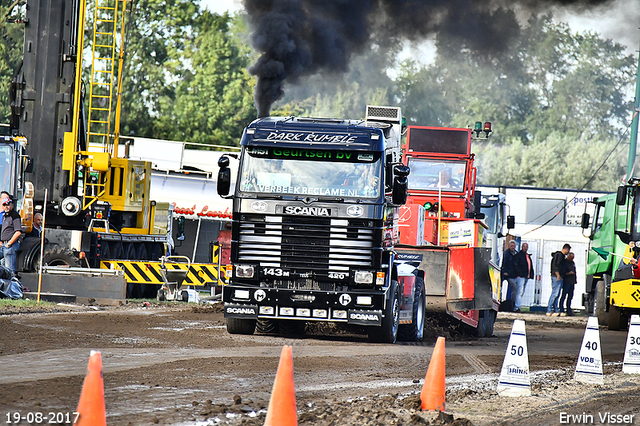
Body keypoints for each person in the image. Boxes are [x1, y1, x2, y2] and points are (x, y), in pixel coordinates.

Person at [547, 243, 571, 316]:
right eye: (568, 250)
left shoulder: (561, 256)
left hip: (559, 276)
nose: (568, 252)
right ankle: (549, 309)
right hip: (557, 276)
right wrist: (558, 275)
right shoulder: (559, 256)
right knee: (555, 293)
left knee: (557, 294)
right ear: (566, 249)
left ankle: (555, 309)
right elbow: (555, 266)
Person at [514, 242, 534, 313]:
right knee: (520, 292)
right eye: (524, 246)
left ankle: (518, 306)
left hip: (526, 276)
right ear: (522, 247)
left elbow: (530, 266)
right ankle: (517, 307)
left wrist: (530, 274)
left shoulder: (527, 256)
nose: (525, 248)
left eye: (526, 247)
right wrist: (520, 273)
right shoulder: (519, 255)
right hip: (521, 276)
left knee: (521, 292)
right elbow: (516, 265)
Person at [501, 240, 519, 311]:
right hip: (508, 275)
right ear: (509, 246)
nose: (513, 247)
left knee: (515, 290)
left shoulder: (516, 254)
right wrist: (504, 271)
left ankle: (512, 304)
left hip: (515, 274)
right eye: (511, 246)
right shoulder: (506, 254)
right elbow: (504, 263)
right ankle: (509, 304)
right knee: (514, 288)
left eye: (514, 246)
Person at [559, 252, 576, 316]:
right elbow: (562, 272)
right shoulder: (565, 263)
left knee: (570, 296)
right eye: (571, 257)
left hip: (572, 282)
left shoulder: (572, 263)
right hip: (566, 281)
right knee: (564, 295)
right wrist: (569, 273)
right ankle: (561, 309)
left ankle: (569, 309)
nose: (572, 259)